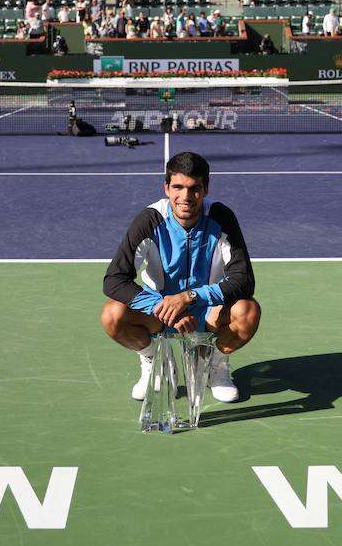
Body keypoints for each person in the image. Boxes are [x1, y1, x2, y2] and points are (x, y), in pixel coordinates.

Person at [101, 152, 260, 404]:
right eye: (178, 187)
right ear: (166, 187)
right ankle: (154, 361)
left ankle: (214, 366)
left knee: (248, 311)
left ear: (205, 189)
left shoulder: (221, 218)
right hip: (159, 312)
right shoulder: (150, 219)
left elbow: (244, 280)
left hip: (208, 311)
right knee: (112, 315)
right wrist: (162, 307)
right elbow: (114, 279)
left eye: (194, 188)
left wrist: (189, 298)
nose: (185, 197)